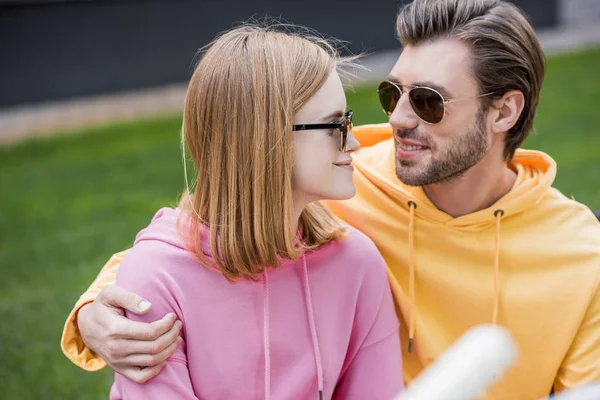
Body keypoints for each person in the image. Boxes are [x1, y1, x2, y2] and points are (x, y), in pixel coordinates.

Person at [62, 1, 600, 399]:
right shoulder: (337, 182)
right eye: (392, 94)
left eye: (429, 101)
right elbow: (204, 236)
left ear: (504, 112)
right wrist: (93, 312)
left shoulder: (583, 256)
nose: (397, 119)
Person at [76, 24, 404, 399]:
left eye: (346, 121)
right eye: (335, 125)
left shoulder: (356, 263)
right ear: (266, 137)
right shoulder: (157, 280)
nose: (355, 141)